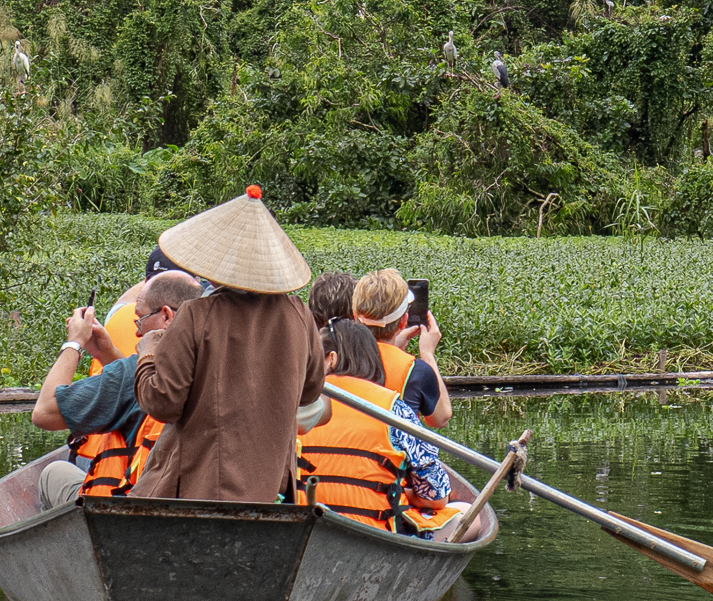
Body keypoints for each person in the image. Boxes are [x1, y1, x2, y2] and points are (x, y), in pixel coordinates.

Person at [127, 186, 323, 504]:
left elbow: (162, 402)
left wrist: (148, 353)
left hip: (199, 490)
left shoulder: (196, 315)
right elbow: (310, 391)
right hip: (270, 489)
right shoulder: (299, 314)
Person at [33, 269, 203, 502]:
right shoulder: (216, 364)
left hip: (125, 509)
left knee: (53, 473)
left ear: (166, 317)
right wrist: (106, 353)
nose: (136, 330)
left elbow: (44, 413)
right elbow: (136, 393)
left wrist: (74, 343)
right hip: (193, 500)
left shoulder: (134, 371)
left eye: (140, 319)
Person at [297, 318, 467, 535]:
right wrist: (404, 493)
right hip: (373, 533)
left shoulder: (299, 404)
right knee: (465, 513)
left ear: (331, 359)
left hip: (306, 527)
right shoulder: (395, 409)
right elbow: (437, 496)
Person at [351, 267, 453, 428]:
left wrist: (394, 348)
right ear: (403, 321)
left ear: (354, 316)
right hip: (388, 453)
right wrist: (427, 354)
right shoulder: (416, 371)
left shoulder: (335, 358)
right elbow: (440, 418)